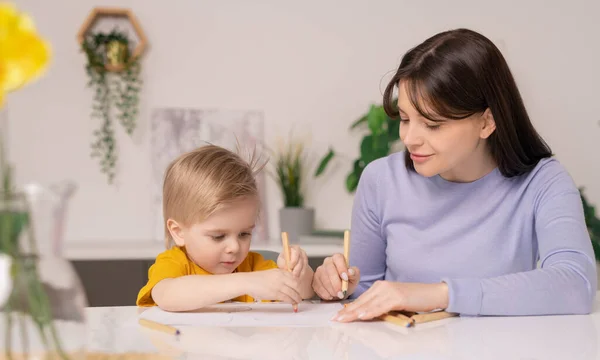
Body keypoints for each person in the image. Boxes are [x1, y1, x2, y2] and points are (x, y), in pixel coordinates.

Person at [312, 28, 597, 322]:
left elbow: (576, 285)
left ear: (487, 122)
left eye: (432, 125)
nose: (410, 138)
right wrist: (337, 287)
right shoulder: (381, 180)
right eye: (405, 119)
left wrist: (440, 294)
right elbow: (365, 295)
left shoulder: (542, 182)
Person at [137, 145, 314, 311]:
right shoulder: (174, 262)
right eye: (218, 236)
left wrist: (299, 272)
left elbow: (306, 292)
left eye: (244, 233)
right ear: (178, 232)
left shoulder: (253, 265)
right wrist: (246, 282)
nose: (235, 247)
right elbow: (167, 295)